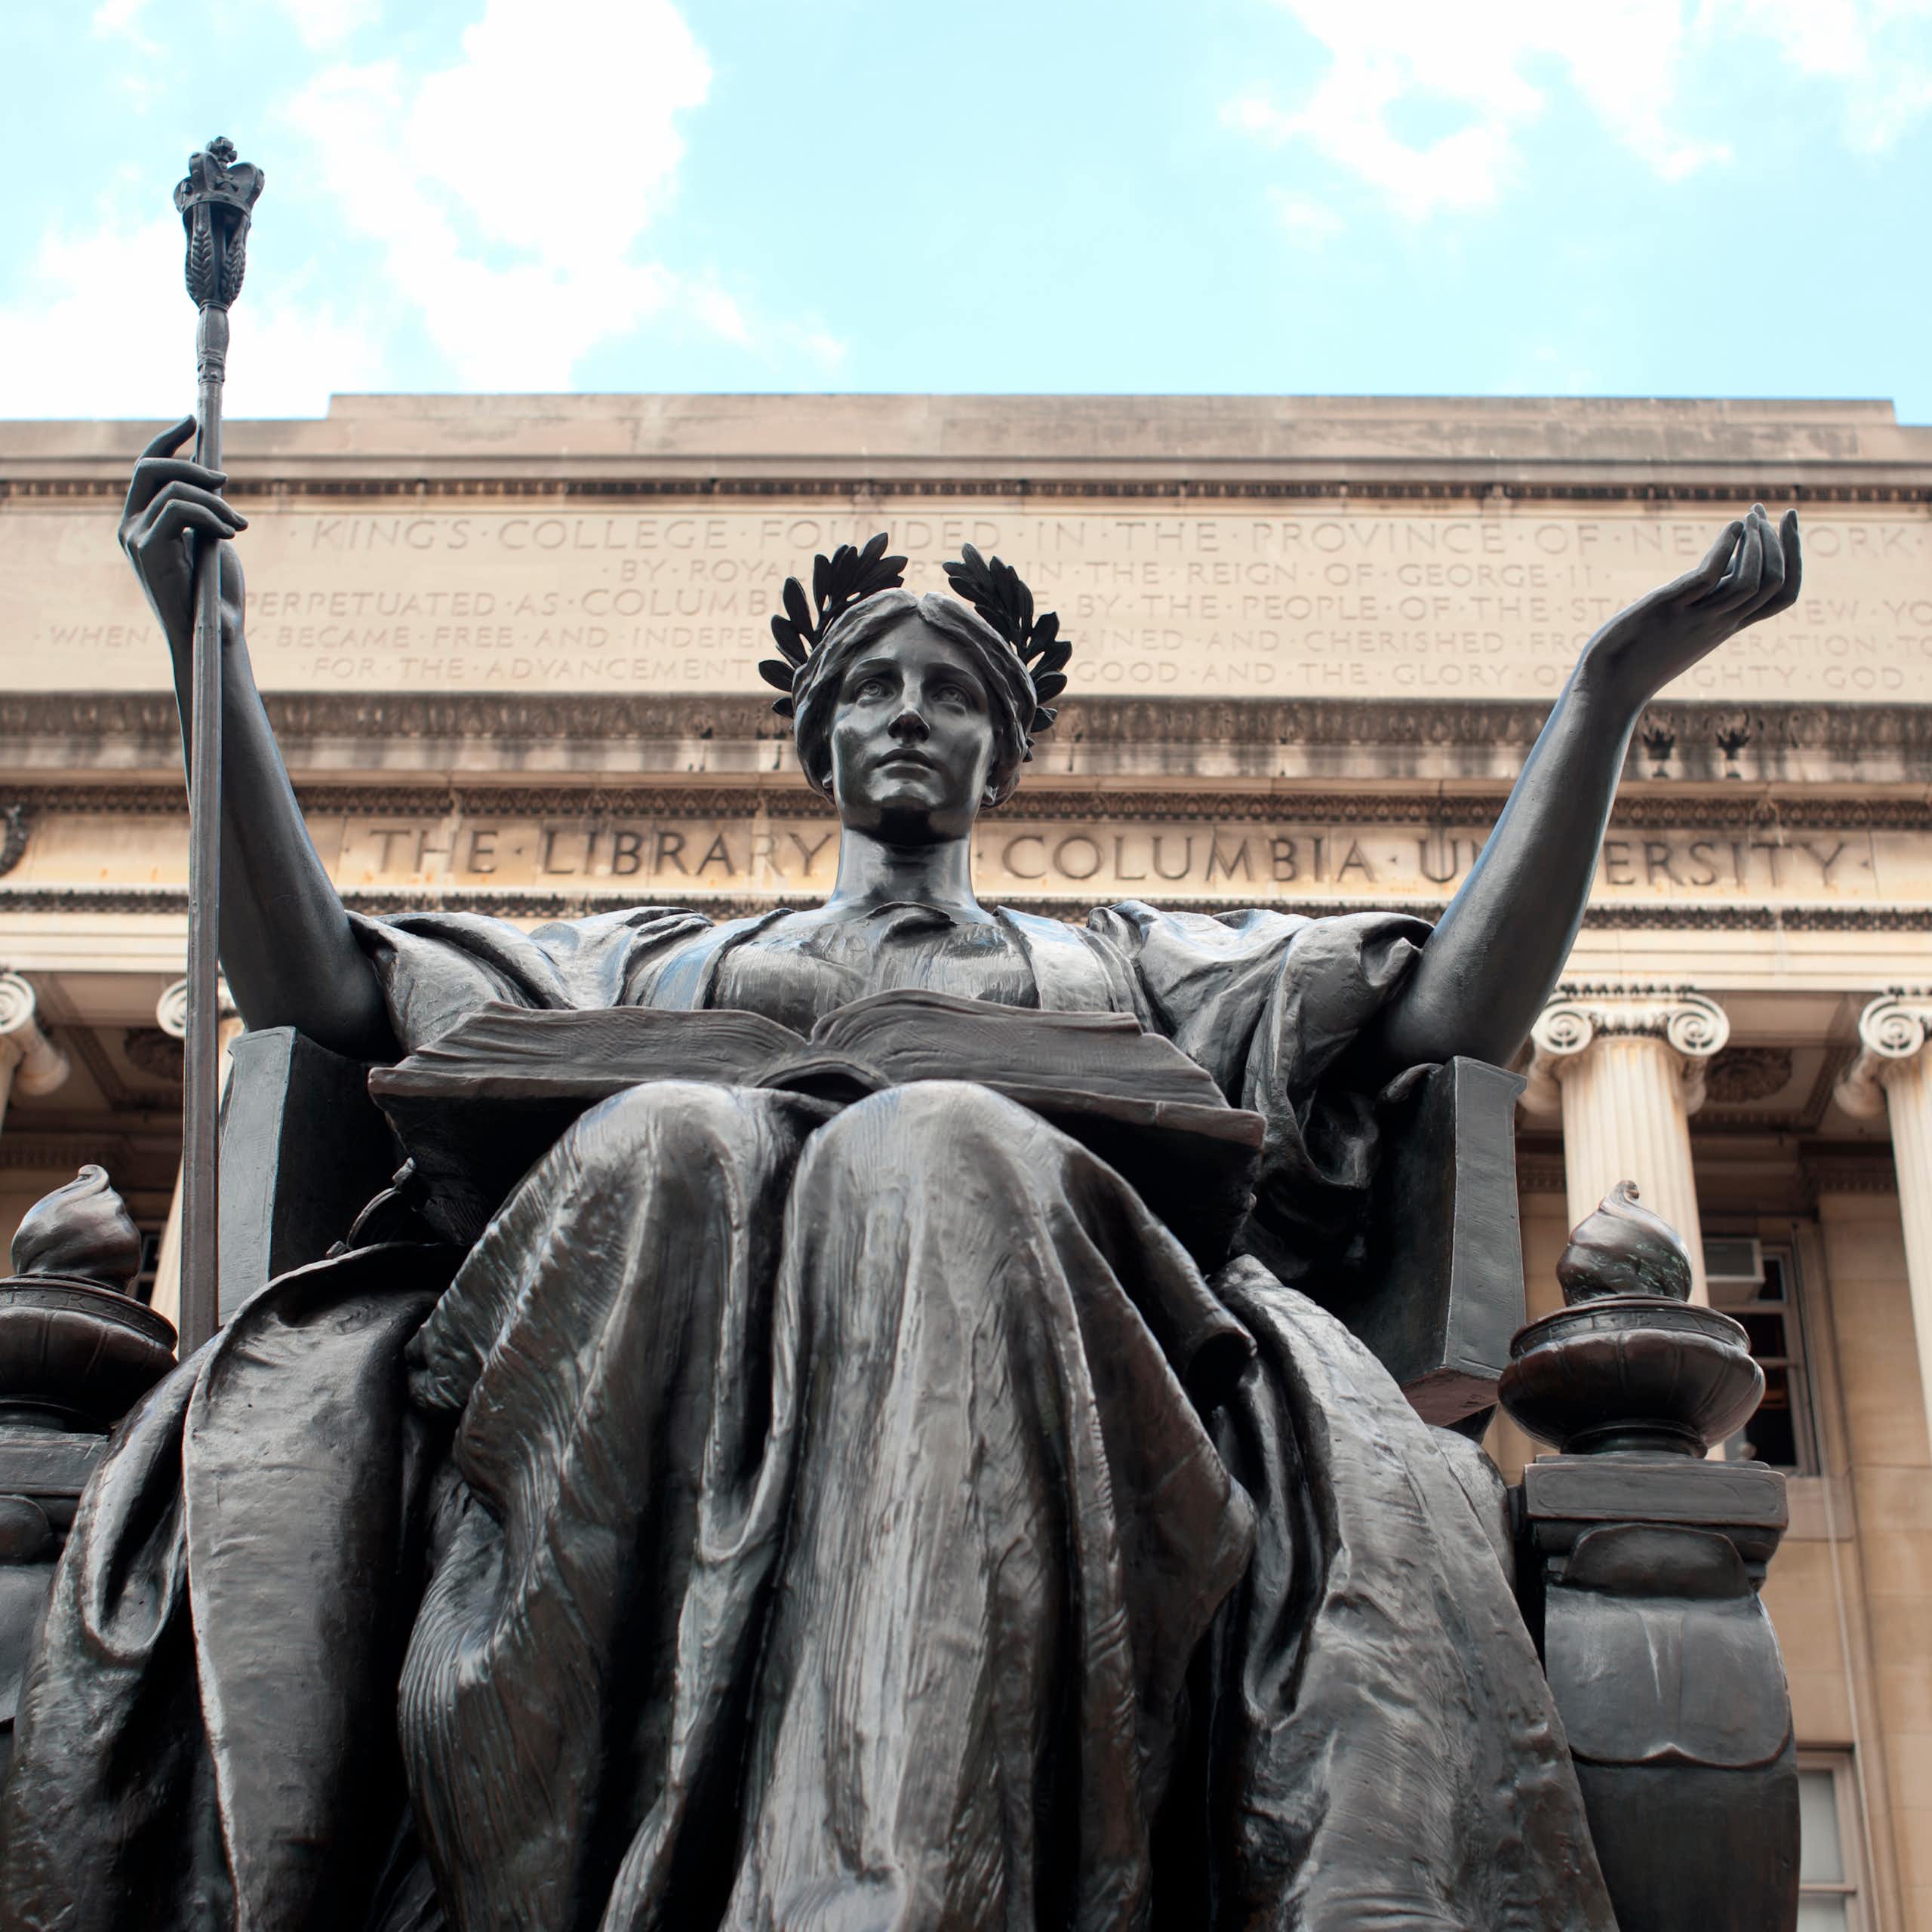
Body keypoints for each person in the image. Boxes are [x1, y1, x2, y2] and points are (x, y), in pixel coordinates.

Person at [0, 420, 1801, 1932]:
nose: (910, 715)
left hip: (1056, 1374)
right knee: (673, 1134)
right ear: (820, 737)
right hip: (646, 1358)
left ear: (1004, 751)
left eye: (953, 693)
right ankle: (533, 1848)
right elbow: (319, 984)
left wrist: (1599, 696)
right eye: (873, 686)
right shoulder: (656, 964)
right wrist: (205, 659)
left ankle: (886, 1874)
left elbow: (1445, 1015)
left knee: (930, 1149)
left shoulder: (1118, 959)